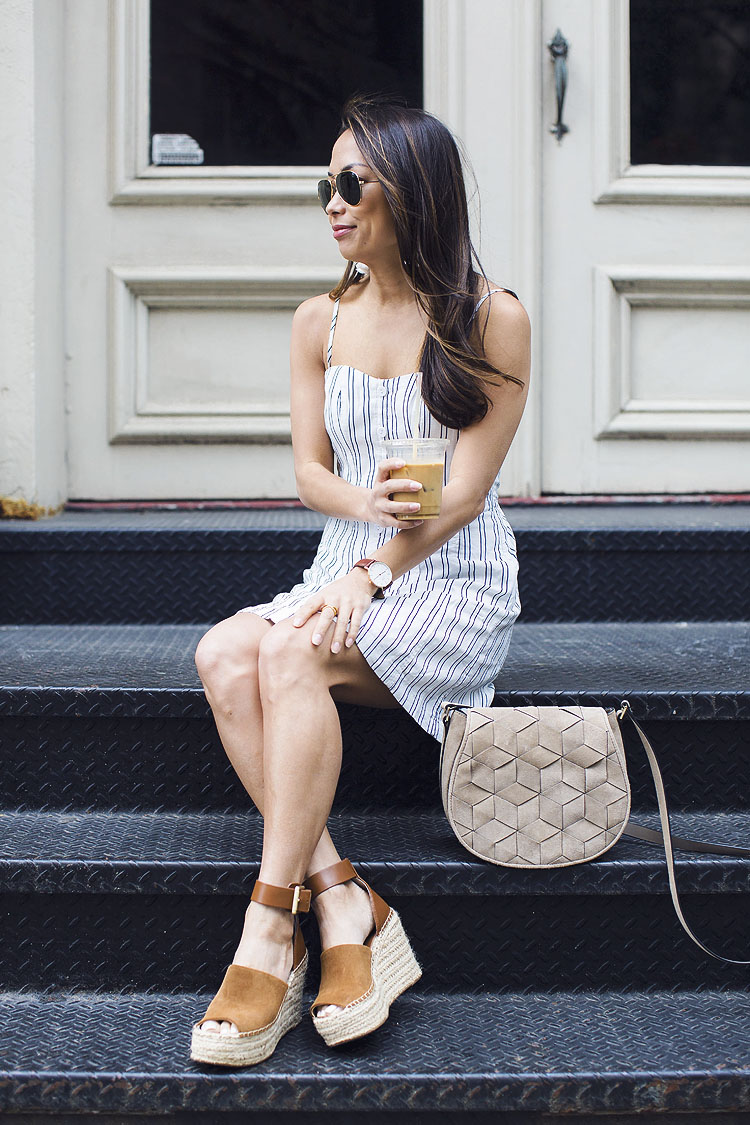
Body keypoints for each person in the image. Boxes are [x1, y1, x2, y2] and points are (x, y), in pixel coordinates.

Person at [190, 95, 530, 1068]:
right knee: (222, 655)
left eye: (353, 183)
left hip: (450, 578)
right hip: (352, 563)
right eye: (325, 185)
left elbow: (462, 498)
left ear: (414, 193)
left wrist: (378, 569)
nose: (333, 203)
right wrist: (363, 520)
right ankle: (344, 896)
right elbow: (308, 474)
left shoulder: (491, 319)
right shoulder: (319, 322)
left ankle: (267, 929)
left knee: (289, 656)